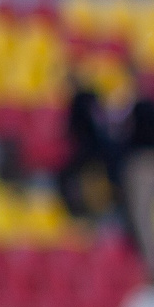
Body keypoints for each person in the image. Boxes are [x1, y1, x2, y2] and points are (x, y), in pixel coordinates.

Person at [116, 63, 154, 277]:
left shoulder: (141, 106)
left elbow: (128, 136)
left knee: (145, 218)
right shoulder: (152, 105)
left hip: (143, 165)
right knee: (150, 218)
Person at [56, 68, 113, 224]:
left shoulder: (80, 101)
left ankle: (81, 212)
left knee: (79, 180)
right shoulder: (93, 99)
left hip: (88, 149)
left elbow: (74, 128)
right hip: (98, 150)